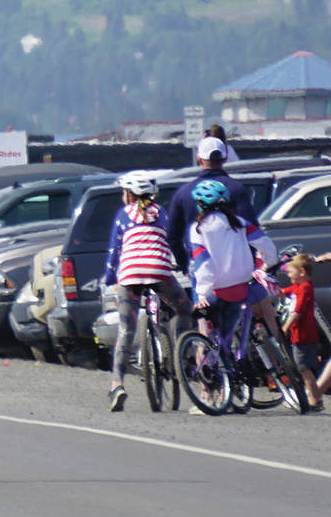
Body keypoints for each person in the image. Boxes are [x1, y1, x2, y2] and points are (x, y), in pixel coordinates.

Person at [183, 177, 278, 414]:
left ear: (200, 205)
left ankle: (211, 390)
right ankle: (232, 375)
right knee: (227, 332)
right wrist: (268, 264)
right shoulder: (242, 223)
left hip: (215, 292)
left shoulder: (198, 229)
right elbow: (267, 246)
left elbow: (203, 264)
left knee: (204, 326)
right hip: (240, 288)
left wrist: (202, 294)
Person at [103, 171, 186, 412]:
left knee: (125, 329)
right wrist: (181, 264)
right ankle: (182, 355)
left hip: (129, 275)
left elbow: (113, 252)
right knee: (183, 308)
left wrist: (110, 278)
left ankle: (117, 385)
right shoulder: (162, 213)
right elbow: (173, 241)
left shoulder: (122, 215)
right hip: (160, 273)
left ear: (129, 195)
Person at [162, 136, 256, 262]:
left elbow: (172, 236)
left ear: (199, 159)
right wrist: (250, 260)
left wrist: (184, 264)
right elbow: (252, 229)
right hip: (234, 263)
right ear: (225, 158)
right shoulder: (236, 189)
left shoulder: (183, 193)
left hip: (200, 265)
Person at [279, 252, 324, 411]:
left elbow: (298, 311)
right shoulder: (300, 286)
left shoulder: (305, 288)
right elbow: (287, 290)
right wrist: (279, 291)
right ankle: (314, 397)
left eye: (291, 271)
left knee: (304, 368)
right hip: (301, 335)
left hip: (303, 335)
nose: (288, 274)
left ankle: (315, 400)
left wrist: (285, 326)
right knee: (303, 368)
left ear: (302, 272)